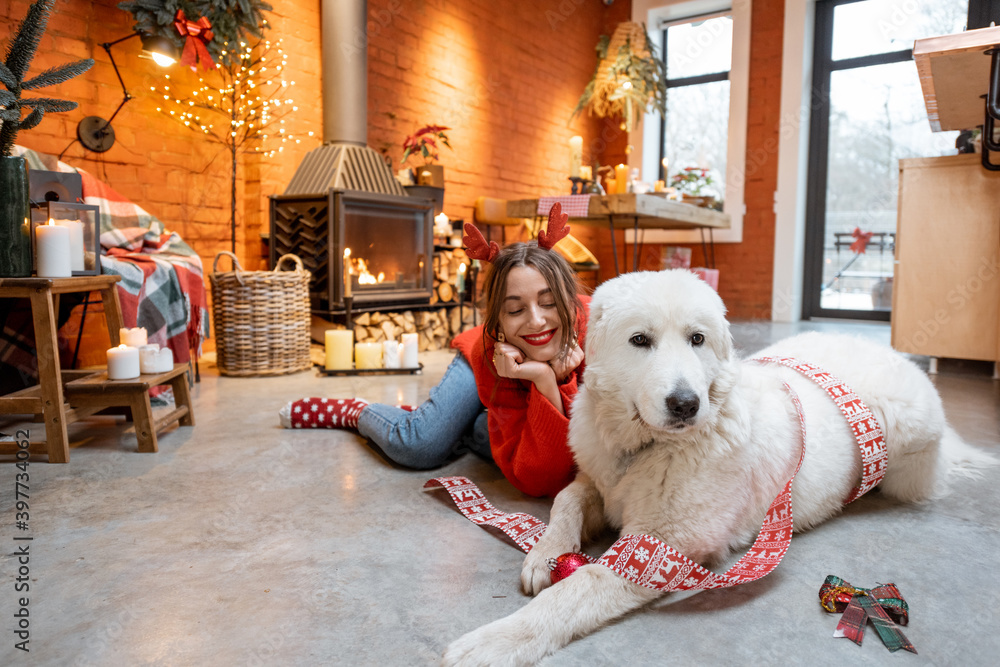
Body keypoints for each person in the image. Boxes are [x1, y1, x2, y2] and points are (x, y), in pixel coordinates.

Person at [279, 204, 589, 497]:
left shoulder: (603, 329)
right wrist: (544, 379)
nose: (537, 321)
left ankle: (474, 424)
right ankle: (356, 410)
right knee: (420, 444)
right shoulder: (493, 351)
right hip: (482, 364)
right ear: (498, 322)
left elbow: (554, 472)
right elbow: (536, 481)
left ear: (569, 299)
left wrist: (550, 383)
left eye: (548, 303)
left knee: (487, 437)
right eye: (515, 310)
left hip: (533, 392)